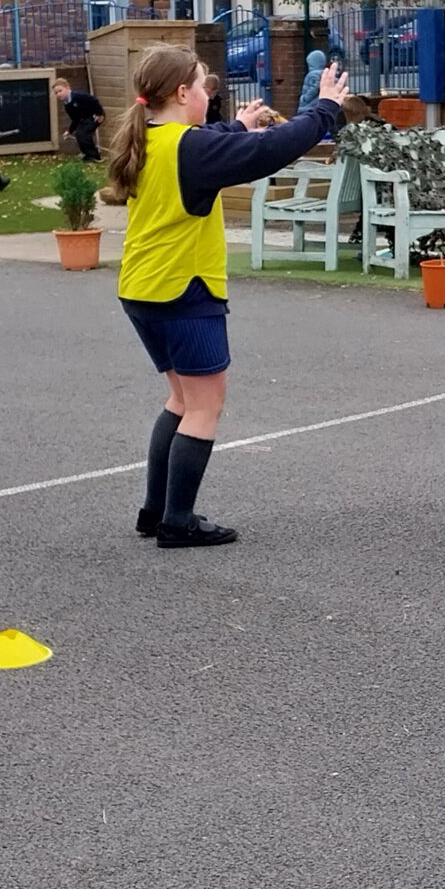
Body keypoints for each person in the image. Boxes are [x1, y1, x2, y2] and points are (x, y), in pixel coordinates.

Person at [104, 45, 348, 549]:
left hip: (142, 289)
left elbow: (212, 141)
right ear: (181, 93)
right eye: (203, 87)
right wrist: (325, 109)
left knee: (180, 398)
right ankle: (178, 521)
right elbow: (270, 150)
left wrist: (237, 126)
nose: (207, 98)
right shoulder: (191, 149)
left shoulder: (151, 137)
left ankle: (156, 511)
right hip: (183, 291)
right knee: (204, 407)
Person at [53, 78, 105, 162]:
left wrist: (100, 114)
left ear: (67, 88)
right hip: (84, 118)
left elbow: (94, 100)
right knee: (79, 133)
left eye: (60, 91)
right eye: (56, 93)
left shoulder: (78, 96)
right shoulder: (67, 105)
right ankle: (88, 154)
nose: (58, 94)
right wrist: (70, 131)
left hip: (94, 115)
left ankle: (93, 156)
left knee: (83, 134)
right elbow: (75, 119)